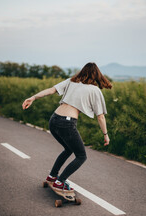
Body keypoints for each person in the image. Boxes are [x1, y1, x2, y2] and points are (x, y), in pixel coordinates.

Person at [22, 62, 112, 192]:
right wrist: (105, 134)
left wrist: (33, 97)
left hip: (54, 119)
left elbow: (51, 90)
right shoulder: (94, 90)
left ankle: (52, 176)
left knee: (68, 149)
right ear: (97, 75)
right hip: (67, 123)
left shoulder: (71, 81)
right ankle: (60, 181)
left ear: (82, 72)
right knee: (81, 156)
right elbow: (101, 116)